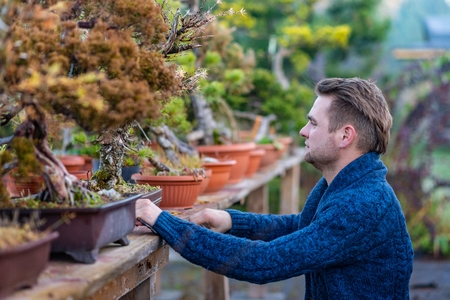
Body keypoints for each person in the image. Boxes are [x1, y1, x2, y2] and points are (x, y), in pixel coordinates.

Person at [135, 77, 414, 299]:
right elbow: (306, 228)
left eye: (313, 123)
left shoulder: (361, 205)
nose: (303, 131)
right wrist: (232, 220)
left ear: (345, 136)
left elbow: (262, 262)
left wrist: (164, 222)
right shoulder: (349, 184)